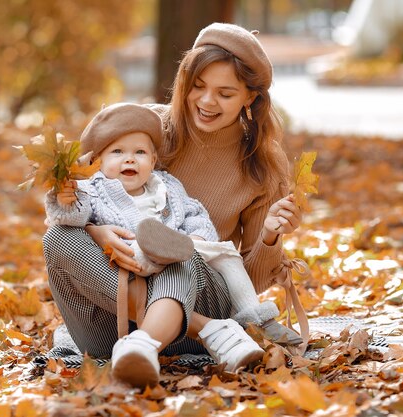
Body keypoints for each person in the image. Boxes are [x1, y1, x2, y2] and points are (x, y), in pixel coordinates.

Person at [42, 22, 306, 389]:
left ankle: (169, 333)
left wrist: (270, 237)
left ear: (250, 98)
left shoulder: (261, 167)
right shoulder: (146, 130)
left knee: (176, 246)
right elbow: (79, 188)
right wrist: (93, 230)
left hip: (197, 297)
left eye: (225, 93)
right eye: (198, 86)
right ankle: (155, 341)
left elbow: (249, 281)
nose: (206, 101)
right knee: (57, 237)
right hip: (112, 317)